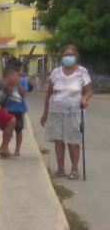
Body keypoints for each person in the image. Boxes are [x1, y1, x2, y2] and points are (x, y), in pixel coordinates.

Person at [41, 45, 93, 180]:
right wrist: (45, 113)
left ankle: (74, 169)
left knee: (73, 140)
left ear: (76, 56)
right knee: (58, 140)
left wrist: (84, 99)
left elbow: (88, 90)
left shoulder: (82, 72)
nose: (67, 57)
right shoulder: (56, 72)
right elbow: (49, 93)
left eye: (70, 54)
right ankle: (60, 169)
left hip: (75, 111)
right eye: (65, 55)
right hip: (56, 111)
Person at [6, 60, 30, 157]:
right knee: (7, 129)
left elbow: (23, 94)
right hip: (9, 108)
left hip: (19, 109)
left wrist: (19, 83)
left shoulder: (23, 81)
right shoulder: (7, 81)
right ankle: (6, 147)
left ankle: (17, 149)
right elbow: (8, 94)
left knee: (18, 129)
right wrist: (12, 85)